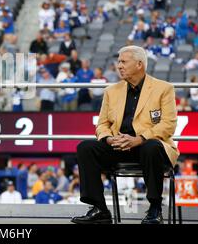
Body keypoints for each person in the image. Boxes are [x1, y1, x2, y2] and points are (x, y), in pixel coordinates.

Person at [71, 45, 179, 224]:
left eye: (123, 62)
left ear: (139, 64)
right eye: (118, 61)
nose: (119, 66)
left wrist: (139, 139)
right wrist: (108, 138)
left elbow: (168, 125)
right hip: (119, 146)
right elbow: (102, 124)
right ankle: (99, 209)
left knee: (151, 147)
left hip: (148, 147)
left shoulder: (164, 88)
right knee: (86, 148)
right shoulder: (111, 91)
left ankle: (155, 208)